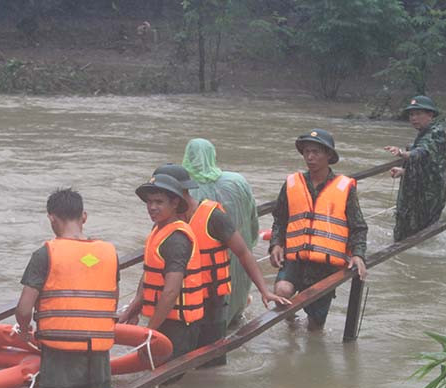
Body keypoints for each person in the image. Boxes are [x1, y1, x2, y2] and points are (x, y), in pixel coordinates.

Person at [152, 164, 290, 367]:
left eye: (160, 196)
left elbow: (243, 252)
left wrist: (264, 291)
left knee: (209, 366)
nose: (153, 205)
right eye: (152, 199)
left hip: (210, 304)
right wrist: (136, 308)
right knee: (173, 367)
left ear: (177, 194)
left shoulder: (213, 217)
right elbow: (153, 266)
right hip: (178, 308)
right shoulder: (163, 221)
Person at [15, 188, 119, 388]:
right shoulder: (109, 253)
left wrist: (24, 331)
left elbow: (24, 308)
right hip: (99, 363)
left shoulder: (45, 254)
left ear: (51, 217)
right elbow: (113, 300)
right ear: (84, 216)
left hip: (59, 365)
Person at [268, 128, 368, 331]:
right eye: (306, 152)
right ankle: (291, 324)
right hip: (295, 257)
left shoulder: (344, 187)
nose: (310, 157)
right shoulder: (292, 183)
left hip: (325, 265)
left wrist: (358, 255)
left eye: (316, 152)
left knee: (315, 326)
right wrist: (276, 243)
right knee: (281, 291)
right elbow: (280, 218)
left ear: (329, 155)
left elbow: (358, 226)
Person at [118, 173, 204, 362]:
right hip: (164, 319)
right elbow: (148, 276)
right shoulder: (158, 230)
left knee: (168, 381)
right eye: (149, 202)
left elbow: (171, 291)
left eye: (159, 202)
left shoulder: (176, 240)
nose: (152, 207)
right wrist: (133, 310)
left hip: (179, 326)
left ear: (174, 203)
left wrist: (149, 333)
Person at [182, 138, 260, 323]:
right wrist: (252, 240)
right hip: (240, 256)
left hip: (207, 267)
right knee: (235, 305)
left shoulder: (185, 191)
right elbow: (253, 218)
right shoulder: (237, 182)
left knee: (209, 316)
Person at [384, 95, 446, 242]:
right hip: (418, 195)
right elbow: (429, 165)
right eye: (411, 114)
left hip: (425, 199)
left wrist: (402, 153)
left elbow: (422, 152)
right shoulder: (424, 133)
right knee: (410, 237)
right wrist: (404, 171)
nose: (414, 118)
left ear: (430, 115)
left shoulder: (435, 133)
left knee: (415, 239)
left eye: (418, 114)